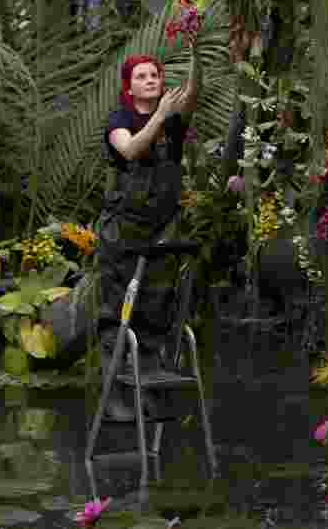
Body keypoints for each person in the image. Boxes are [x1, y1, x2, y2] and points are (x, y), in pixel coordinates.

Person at [99, 53, 200, 421]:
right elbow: (129, 149)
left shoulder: (174, 121)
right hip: (123, 232)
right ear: (129, 85)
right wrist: (158, 116)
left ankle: (147, 394)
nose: (151, 80)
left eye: (156, 75)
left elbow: (192, 92)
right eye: (142, 76)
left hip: (162, 228)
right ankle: (113, 399)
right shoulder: (120, 119)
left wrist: (196, 49)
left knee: (156, 309)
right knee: (117, 314)